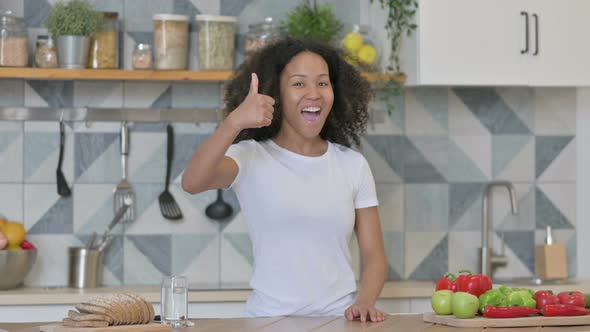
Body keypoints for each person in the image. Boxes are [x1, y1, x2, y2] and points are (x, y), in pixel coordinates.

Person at [182, 37, 387, 322]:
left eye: (322, 83)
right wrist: (234, 122)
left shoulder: (353, 165)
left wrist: (364, 302)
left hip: (339, 321)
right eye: (299, 83)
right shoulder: (250, 157)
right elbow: (192, 182)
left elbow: (374, 255)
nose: (313, 93)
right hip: (269, 320)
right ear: (275, 93)